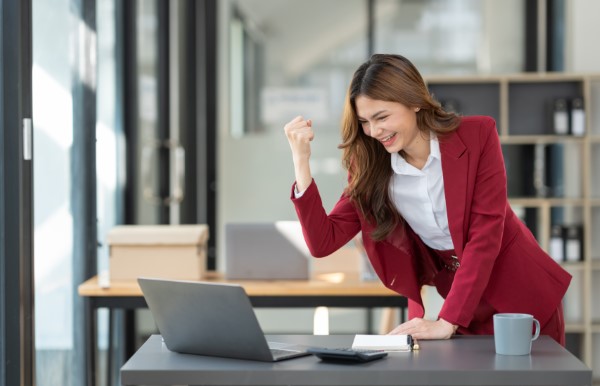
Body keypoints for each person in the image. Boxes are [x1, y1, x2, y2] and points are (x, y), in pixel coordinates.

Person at [283, 54, 571, 344]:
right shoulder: (371, 166)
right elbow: (323, 242)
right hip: (462, 305)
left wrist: (448, 320)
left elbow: (485, 235)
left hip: (520, 292)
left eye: (382, 117)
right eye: (365, 122)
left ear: (415, 101)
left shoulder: (477, 136)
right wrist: (301, 161)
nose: (374, 131)